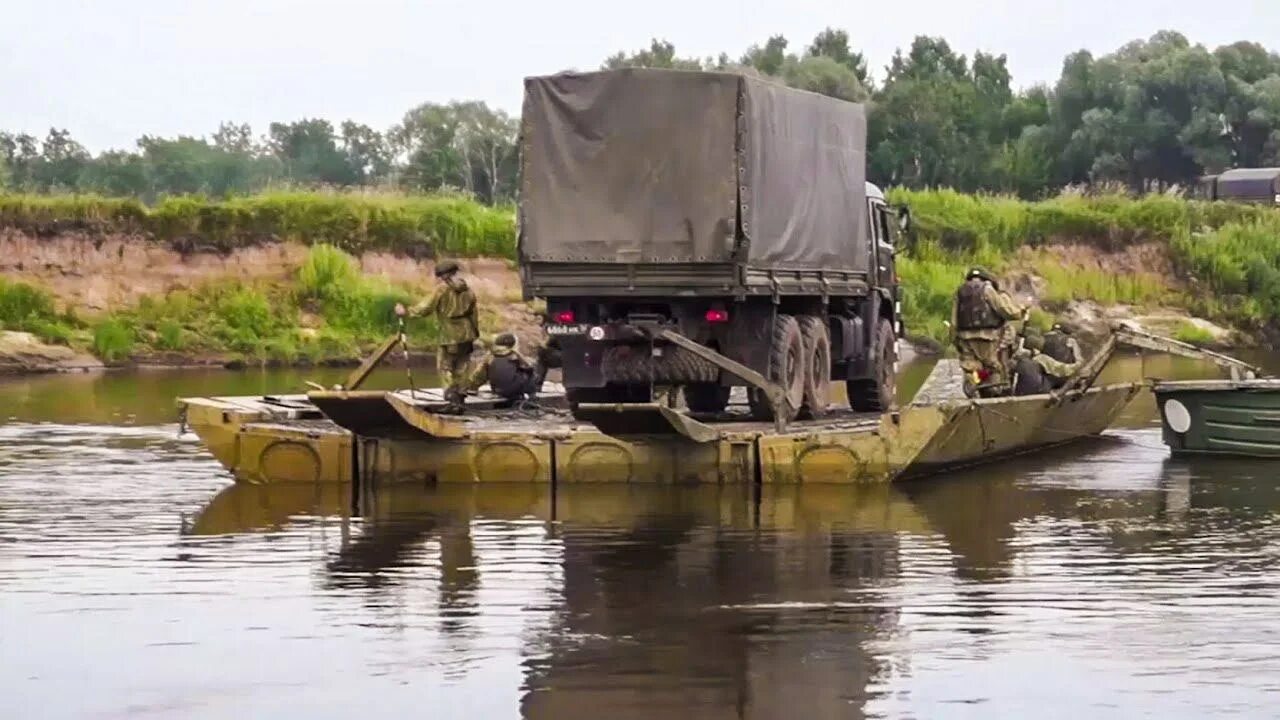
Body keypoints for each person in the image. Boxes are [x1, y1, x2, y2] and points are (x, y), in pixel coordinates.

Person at [395, 259, 478, 415]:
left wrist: (405, 312)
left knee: (445, 367)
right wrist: (474, 334)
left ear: (443, 276)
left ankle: (452, 401)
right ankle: (460, 401)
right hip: (467, 335)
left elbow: (425, 309)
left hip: (449, 336)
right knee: (463, 368)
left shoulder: (442, 290)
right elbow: (474, 314)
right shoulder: (468, 290)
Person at [952, 267, 1026, 396]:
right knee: (992, 367)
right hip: (988, 337)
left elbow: (954, 320)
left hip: (965, 337)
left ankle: (973, 384)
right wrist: (1020, 312)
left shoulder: (960, 291)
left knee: (971, 366)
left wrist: (955, 340)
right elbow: (1004, 309)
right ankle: (993, 392)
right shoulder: (987, 289)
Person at [467, 332, 548, 408]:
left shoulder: (490, 356)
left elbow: (479, 376)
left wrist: (472, 387)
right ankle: (532, 397)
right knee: (530, 373)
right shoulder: (514, 355)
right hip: (513, 391)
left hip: (498, 390)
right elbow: (529, 368)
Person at [1012, 334, 1082, 396]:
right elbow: (1061, 369)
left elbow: (1062, 369)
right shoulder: (1040, 359)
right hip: (1041, 389)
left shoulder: (1040, 358)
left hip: (1038, 390)